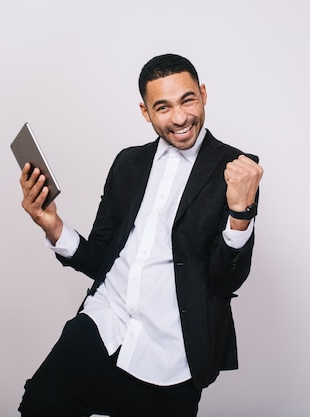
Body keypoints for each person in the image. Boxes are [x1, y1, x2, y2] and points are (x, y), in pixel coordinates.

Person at [17, 53, 263, 417]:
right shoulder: (127, 163)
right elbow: (102, 257)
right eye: (162, 107)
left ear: (204, 94)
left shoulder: (238, 169)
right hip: (105, 321)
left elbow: (224, 280)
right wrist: (52, 225)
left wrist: (241, 213)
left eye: (188, 100)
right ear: (145, 112)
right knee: (40, 406)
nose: (179, 118)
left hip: (171, 353)